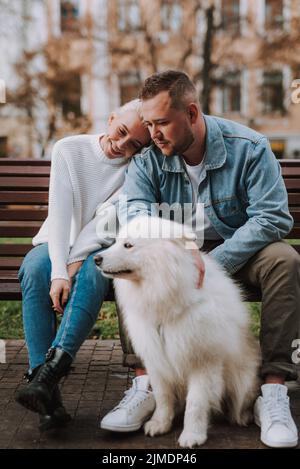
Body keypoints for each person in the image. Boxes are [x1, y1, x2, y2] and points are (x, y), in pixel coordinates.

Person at [101, 70, 300, 448]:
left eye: (162, 123)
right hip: (176, 260)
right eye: (148, 123)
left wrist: (211, 263)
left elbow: (273, 217)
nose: (153, 133)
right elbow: (136, 218)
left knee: (284, 260)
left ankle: (273, 389)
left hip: (239, 250)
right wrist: (176, 256)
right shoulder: (148, 161)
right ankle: (146, 383)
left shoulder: (249, 147)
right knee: (127, 263)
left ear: (191, 113)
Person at [15, 99, 155, 432]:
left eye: (134, 144)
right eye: (121, 132)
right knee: (36, 269)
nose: (122, 146)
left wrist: (76, 261)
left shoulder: (136, 166)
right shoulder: (69, 148)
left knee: (96, 270)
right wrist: (60, 270)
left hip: (101, 243)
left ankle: (52, 372)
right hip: (56, 238)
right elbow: (61, 214)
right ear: (110, 119)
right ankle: (44, 387)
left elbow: (101, 224)